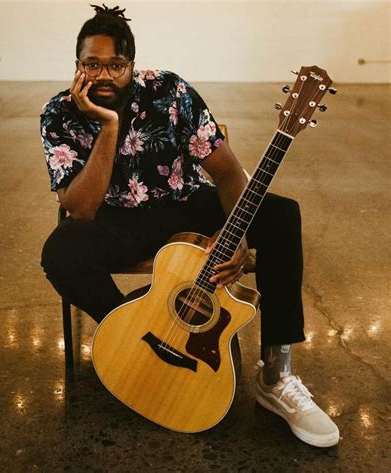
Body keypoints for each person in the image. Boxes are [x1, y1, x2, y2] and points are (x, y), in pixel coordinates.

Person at [40, 4, 339, 447]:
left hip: (183, 202)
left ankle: (277, 375)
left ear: (132, 64)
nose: (103, 76)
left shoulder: (170, 92)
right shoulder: (59, 114)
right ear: (77, 64)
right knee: (61, 252)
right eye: (92, 64)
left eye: (116, 65)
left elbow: (228, 172)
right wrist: (109, 126)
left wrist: (236, 234)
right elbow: (81, 209)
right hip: (116, 218)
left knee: (281, 215)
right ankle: (134, 336)